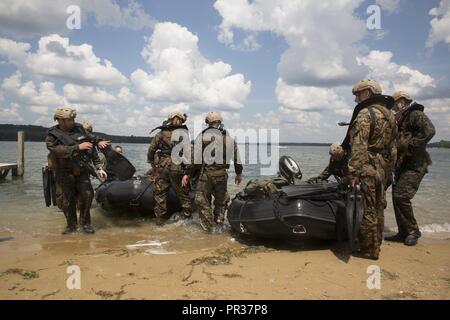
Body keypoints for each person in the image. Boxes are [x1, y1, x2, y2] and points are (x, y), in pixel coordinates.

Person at [345, 80, 397, 260]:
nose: (356, 100)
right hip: (383, 167)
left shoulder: (365, 114)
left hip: (367, 167)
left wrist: (353, 173)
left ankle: (369, 249)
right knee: (379, 207)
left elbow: (359, 146)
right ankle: (377, 243)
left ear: (367, 93)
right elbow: (393, 149)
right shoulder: (390, 116)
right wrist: (388, 171)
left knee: (366, 207)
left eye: (357, 95)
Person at [46, 107, 108, 234]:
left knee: (88, 195)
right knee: (66, 200)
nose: (72, 122)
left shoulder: (79, 128)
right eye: (69, 120)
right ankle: (71, 226)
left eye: (73, 119)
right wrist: (77, 147)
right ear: (60, 120)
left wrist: (99, 140)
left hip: (81, 169)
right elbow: (55, 150)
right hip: (64, 171)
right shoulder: (53, 134)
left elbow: (90, 136)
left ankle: (85, 224)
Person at [385, 91, 436, 246]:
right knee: (396, 197)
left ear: (402, 101)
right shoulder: (400, 118)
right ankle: (403, 232)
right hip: (402, 165)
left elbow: (430, 131)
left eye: (394, 102)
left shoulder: (415, 114)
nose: (393, 106)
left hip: (416, 165)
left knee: (401, 196)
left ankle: (413, 231)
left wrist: (411, 145)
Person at [182, 112, 243, 232]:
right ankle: (219, 224)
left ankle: (208, 229)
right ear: (220, 122)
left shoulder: (202, 137)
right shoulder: (229, 139)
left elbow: (196, 160)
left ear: (208, 123)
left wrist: (187, 173)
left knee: (202, 200)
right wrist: (238, 173)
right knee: (221, 201)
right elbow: (237, 159)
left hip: (206, 175)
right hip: (222, 175)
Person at [147, 112, 192, 225]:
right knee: (182, 193)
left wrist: (152, 164)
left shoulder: (161, 133)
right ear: (181, 121)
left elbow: (151, 150)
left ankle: (159, 221)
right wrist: (188, 171)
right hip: (177, 166)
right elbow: (188, 153)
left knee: (160, 193)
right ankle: (187, 217)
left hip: (163, 166)